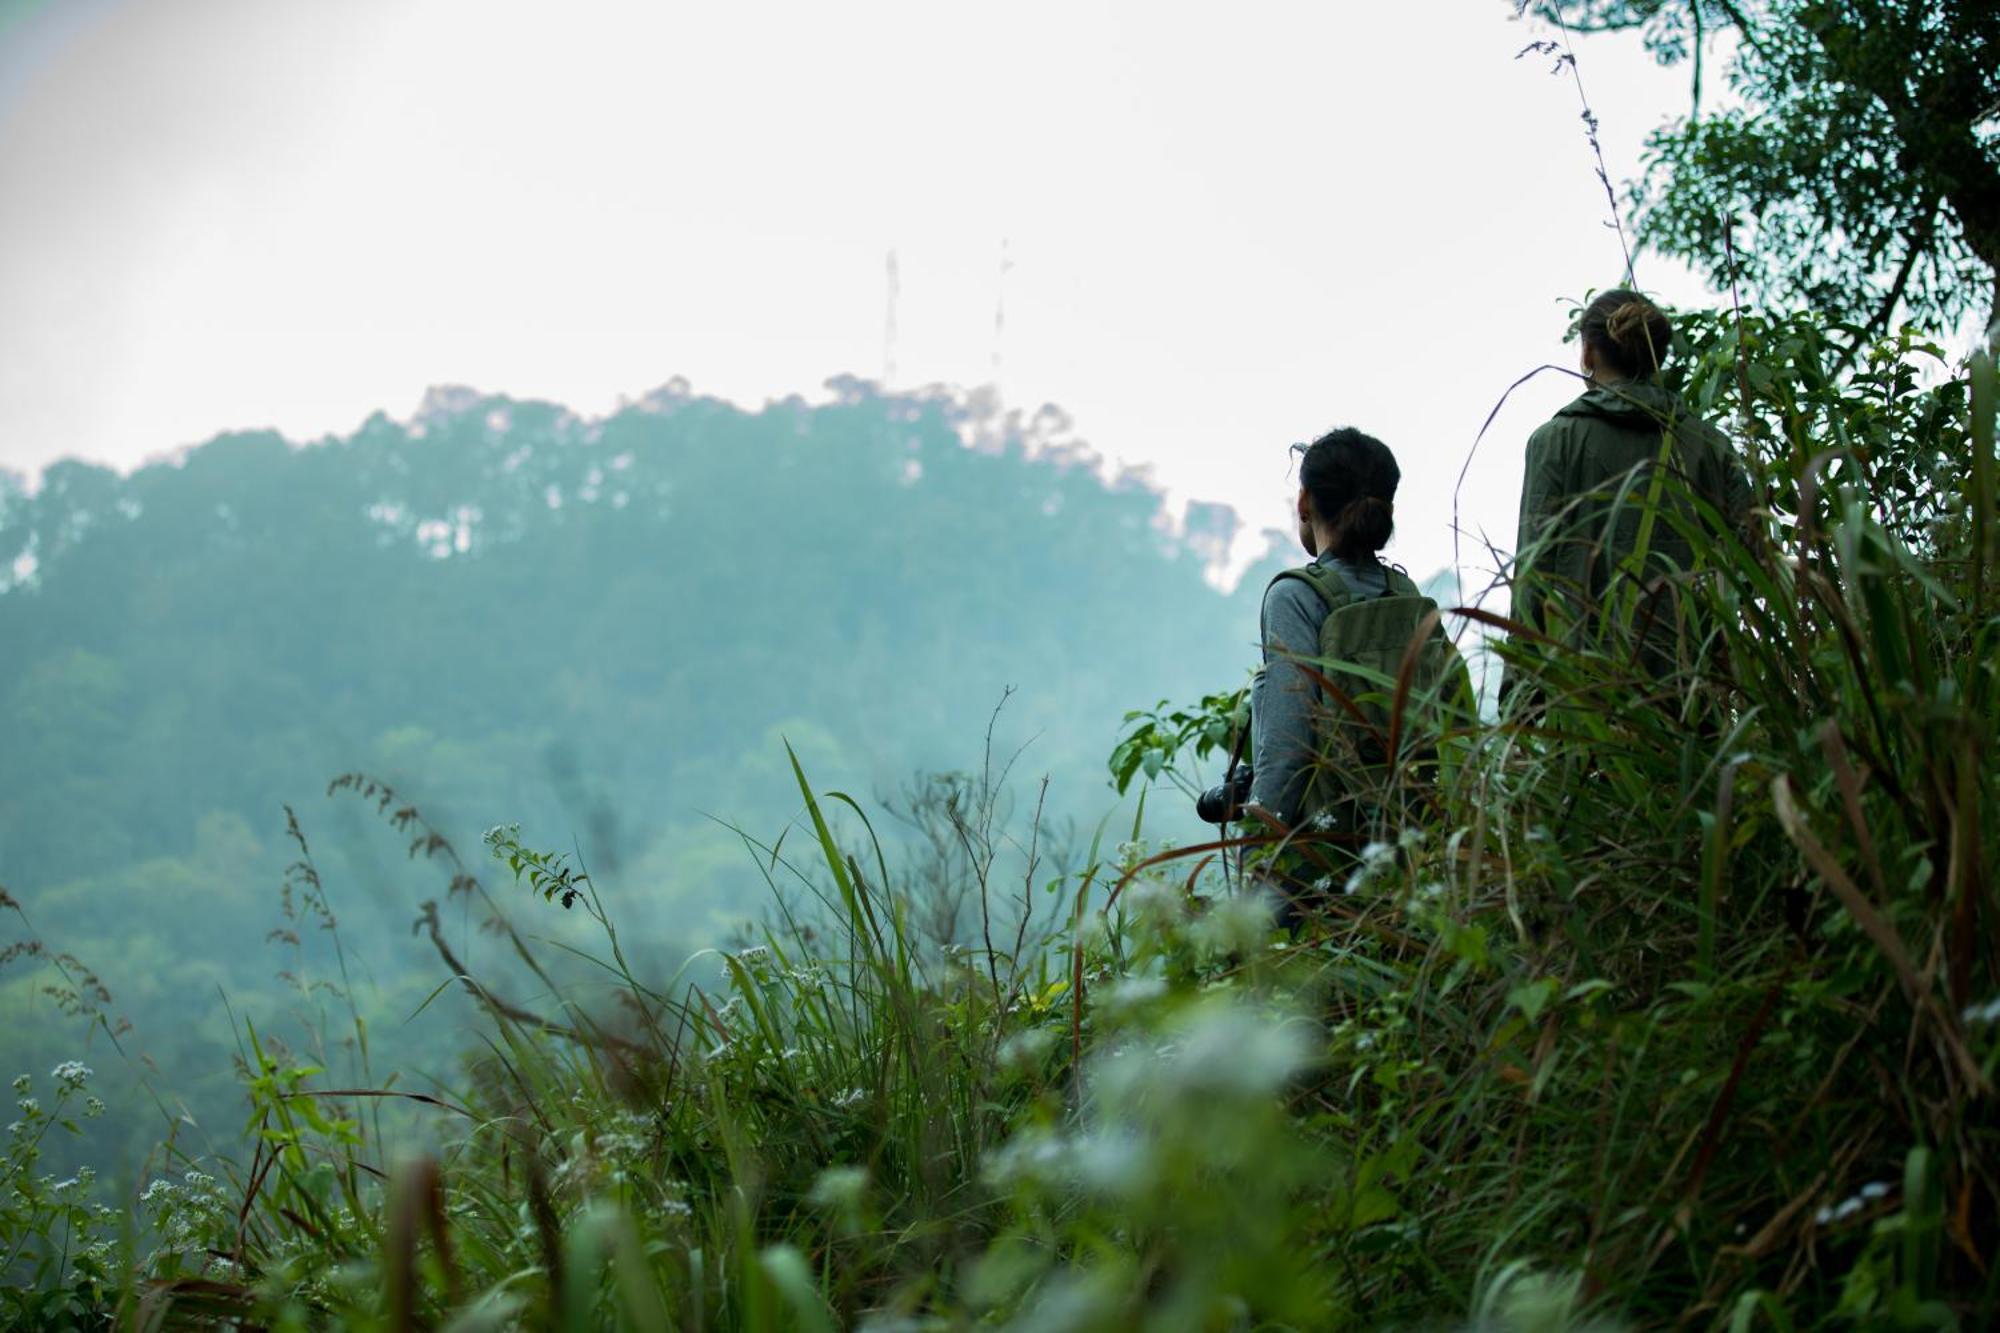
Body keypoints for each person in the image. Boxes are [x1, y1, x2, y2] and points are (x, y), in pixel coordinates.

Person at [1235, 428, 1466, 867]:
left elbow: (1288, 744)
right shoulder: (1406, 594)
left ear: (1304, 503)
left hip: (1327, 849)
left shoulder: (1295, 596)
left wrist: (1258, 855)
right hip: (1411, 838)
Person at [1511, 290, 1753, 676]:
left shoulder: (1555, 441)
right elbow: (1751, 560)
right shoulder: (1709, 444)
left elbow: (1532, 576)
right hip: (1694, 681)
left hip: (1589, 690)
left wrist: (1519, 692)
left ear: (1588, 353)